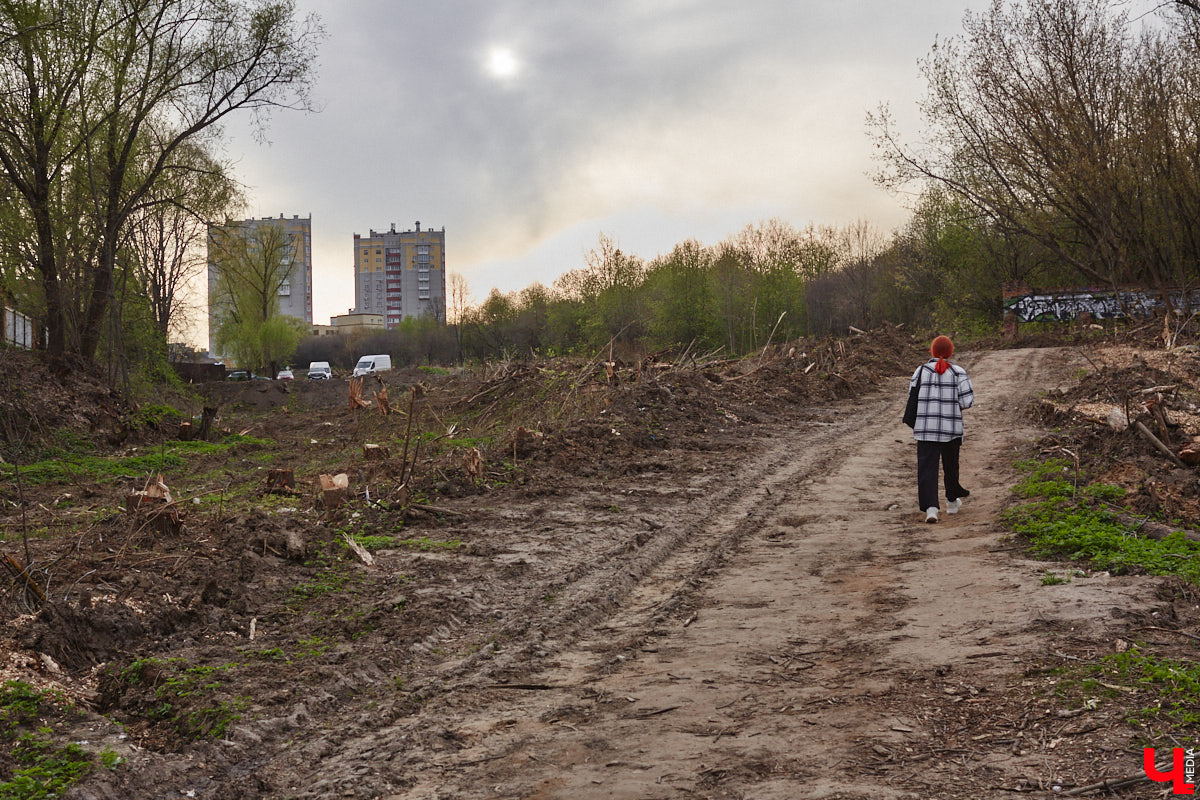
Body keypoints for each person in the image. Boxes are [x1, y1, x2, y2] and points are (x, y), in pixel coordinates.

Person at [909, 335, 974, 523]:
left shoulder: (920, 371)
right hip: (951, 428)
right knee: (950, 466)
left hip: (925, 429)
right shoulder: (958, 372)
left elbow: (912, 397)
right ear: (950, 351)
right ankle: (952, 503)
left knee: (927, 468)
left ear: (932, 351)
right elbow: (967, 401)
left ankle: (931, 509)